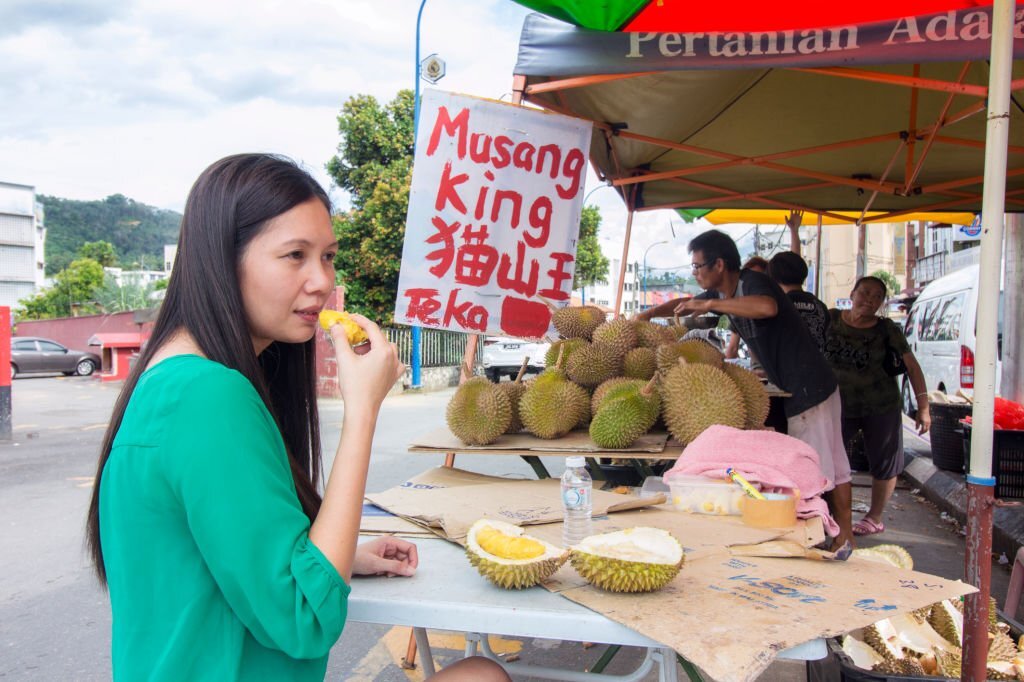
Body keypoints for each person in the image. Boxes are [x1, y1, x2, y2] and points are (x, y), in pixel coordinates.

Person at [84, 154, 510, 682]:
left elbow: (218, 550)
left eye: (328, 256)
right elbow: (304, 616)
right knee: (482, 676)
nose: (322, 281)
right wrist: (363, 412)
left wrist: (344, 556)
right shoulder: (208, 395)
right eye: (294, 256)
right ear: (223, 259)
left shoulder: (169, 378)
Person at [637, 229, 853, 550]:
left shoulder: (752, 282)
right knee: (834, 464)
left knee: (816, 470)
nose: (695, 273)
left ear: (719, 264)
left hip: (808, 386)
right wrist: (650, 313)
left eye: (698, 267)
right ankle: (843, 537)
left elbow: (767, 307)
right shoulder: (726, 296)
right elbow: (687, 303)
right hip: (808, 384)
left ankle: (821, 538)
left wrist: (711, 303)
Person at [824, 276, 932, 537]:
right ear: (852, 293)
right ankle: (826, 512)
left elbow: (912, 366)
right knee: (828, 457)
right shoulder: (830, 319)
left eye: (877, 297)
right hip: (838, 404)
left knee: (885, 461)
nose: (869, 300)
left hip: (880, 404)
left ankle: (874, 517)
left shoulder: (887, 329)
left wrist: (924, 406)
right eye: (865, 293)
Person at [767, 250, 829, 353]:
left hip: (787, 366)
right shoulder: (819, 305)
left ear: (773, 278)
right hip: (818, 365)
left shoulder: (776, 306)